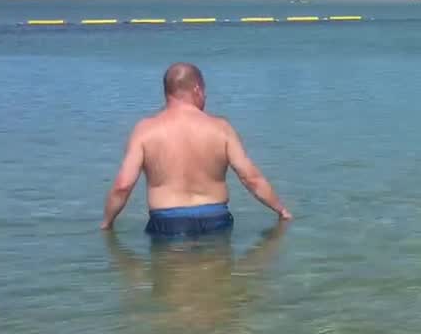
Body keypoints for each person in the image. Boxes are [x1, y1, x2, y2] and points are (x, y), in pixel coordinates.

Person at [101, 63, 291, 236]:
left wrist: (107, 223)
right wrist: (281, 210)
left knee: (168, 273)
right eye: (205, 91)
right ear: (197, 90)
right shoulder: (221, 128)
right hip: (216, 219)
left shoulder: (145, 130)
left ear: (167, 92)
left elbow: (123, 186)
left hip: (167, 223)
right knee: (217, 273)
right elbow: (251, 179)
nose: (206, 96)